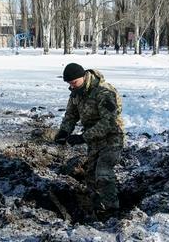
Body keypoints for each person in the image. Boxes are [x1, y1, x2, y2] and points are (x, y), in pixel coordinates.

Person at [54, 63, 125, 220]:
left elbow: (109, 123)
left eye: (74, 82)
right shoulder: (76, 93)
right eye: (69, 84)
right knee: (91, 175)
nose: (71, 86)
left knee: (103, 171)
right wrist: (64, 131)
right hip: (94, 141)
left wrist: (82, 137)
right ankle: (95, 207)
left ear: (83, 77)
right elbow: (71, 115)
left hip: (112, 138)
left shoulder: (104, 92)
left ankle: (112, 211)